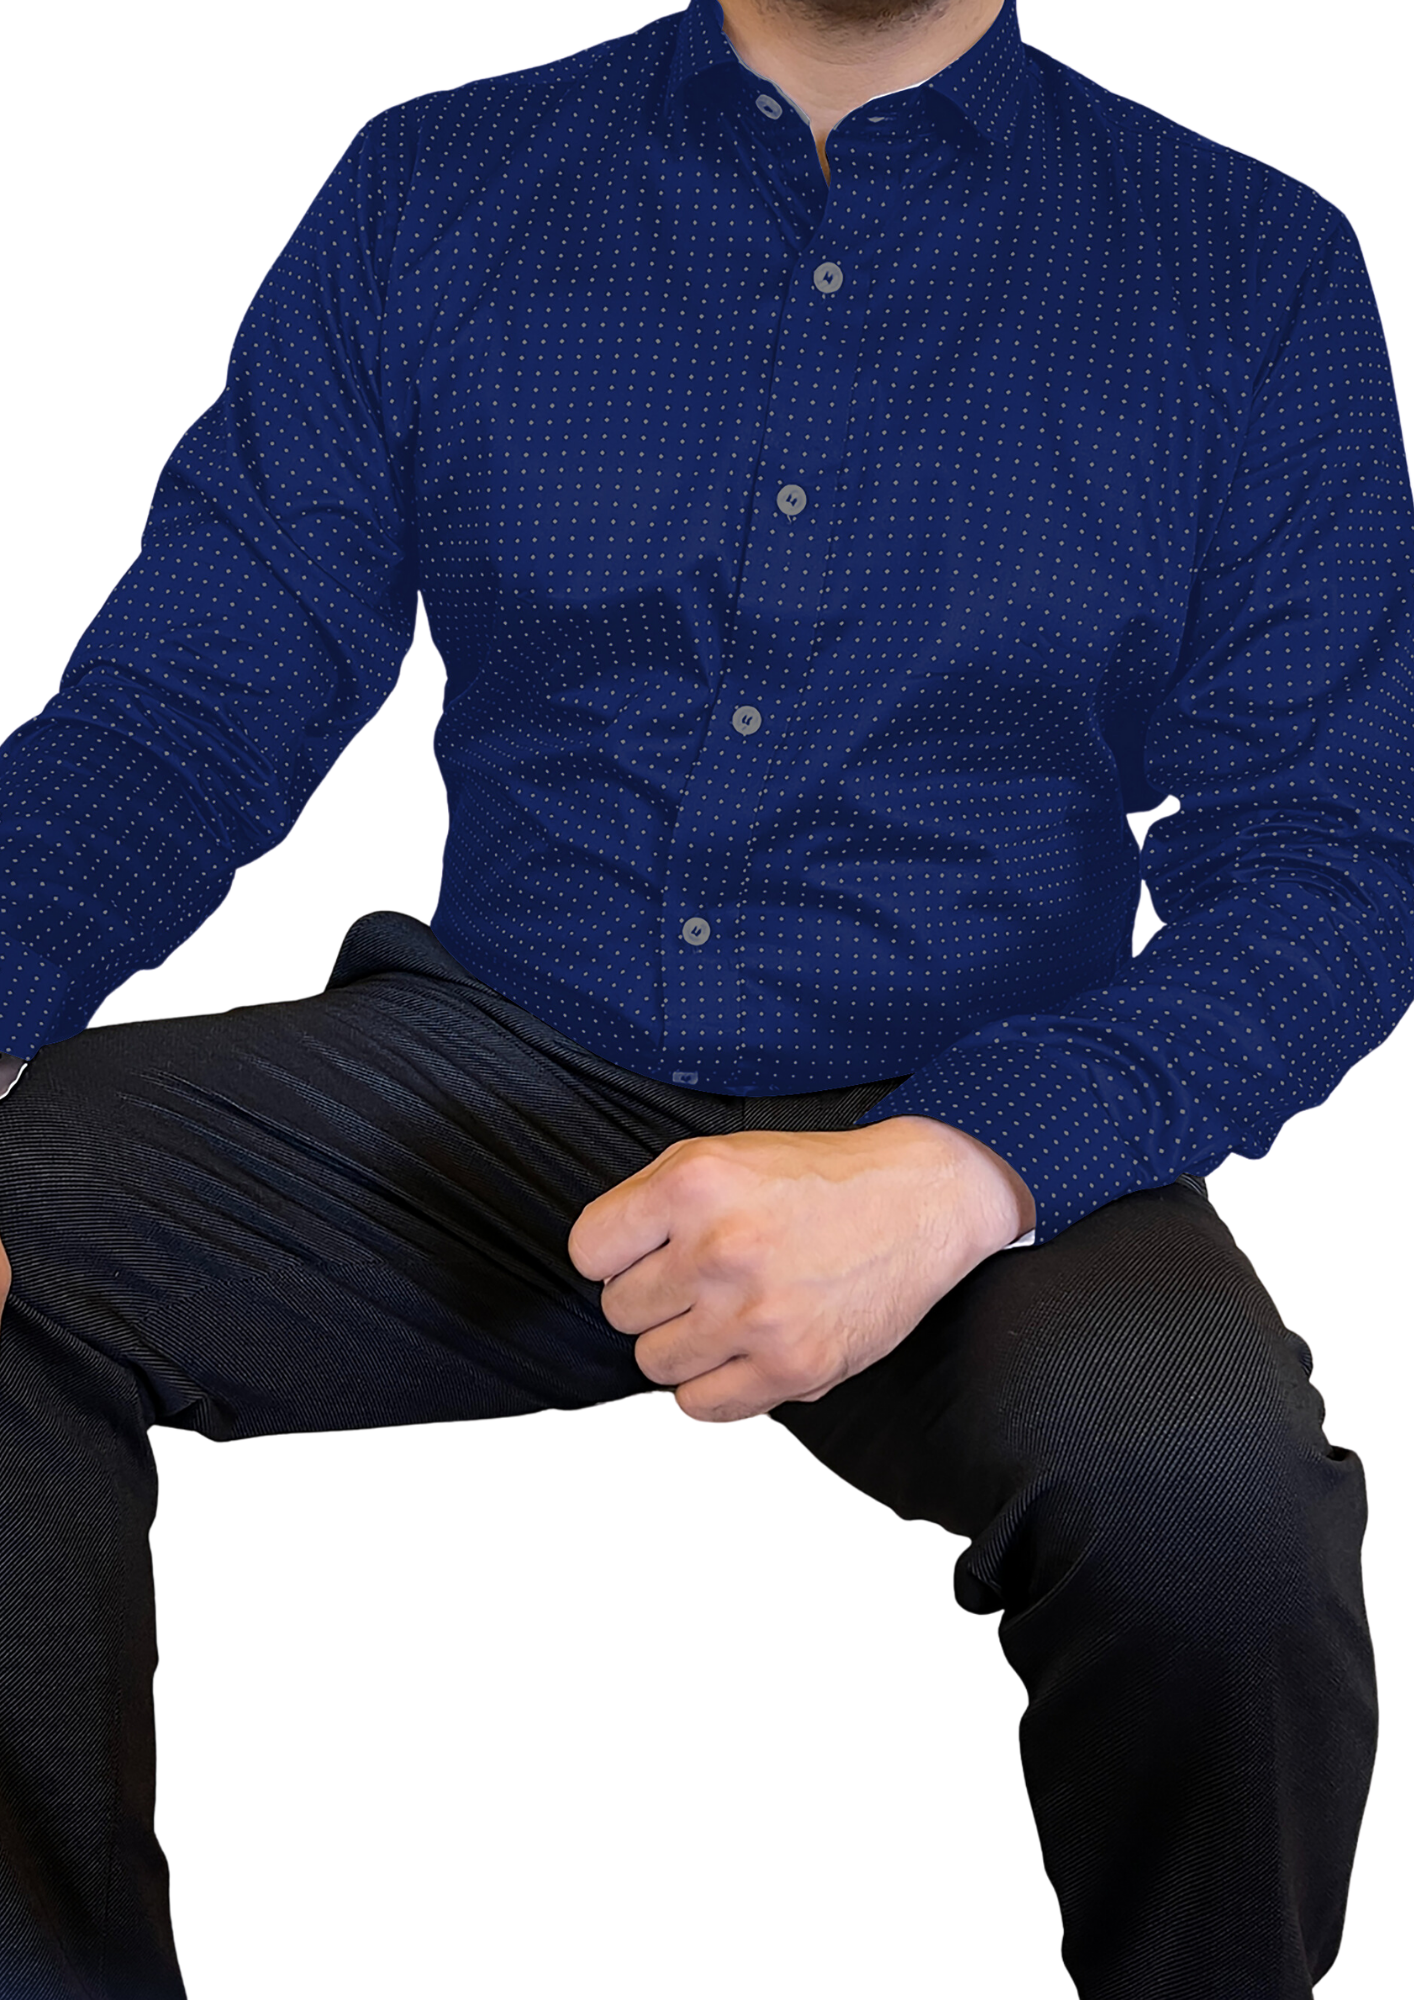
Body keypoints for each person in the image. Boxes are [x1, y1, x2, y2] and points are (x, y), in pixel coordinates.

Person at [0, 0, 1410, 1993]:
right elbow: (185, 709)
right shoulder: (439, 188)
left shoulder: (1242, 267)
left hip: (965, 1112)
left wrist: (964, 1168)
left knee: (1215, 1508)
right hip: (491, 1072)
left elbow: (1331, 857)